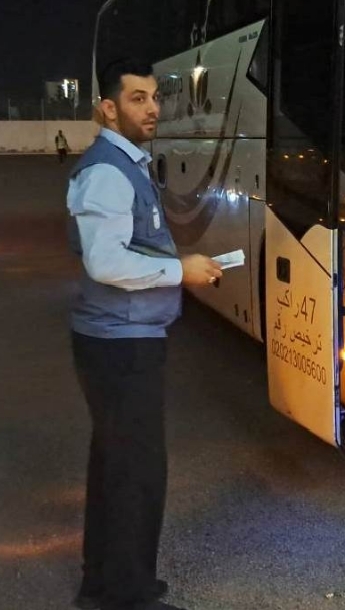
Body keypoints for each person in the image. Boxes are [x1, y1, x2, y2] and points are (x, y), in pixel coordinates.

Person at [67, 58, 222, 610]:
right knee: (136, 472)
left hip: (122, 338)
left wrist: (180, 264)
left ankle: (103, 585)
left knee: (117, 466)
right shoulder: (108, 171)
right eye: (138, 99)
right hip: (120, 343)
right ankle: (128, 596)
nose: (153, 108)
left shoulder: (125, 164)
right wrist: (181, 271)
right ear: (107, 109)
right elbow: (105, 262)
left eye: (155, 97)